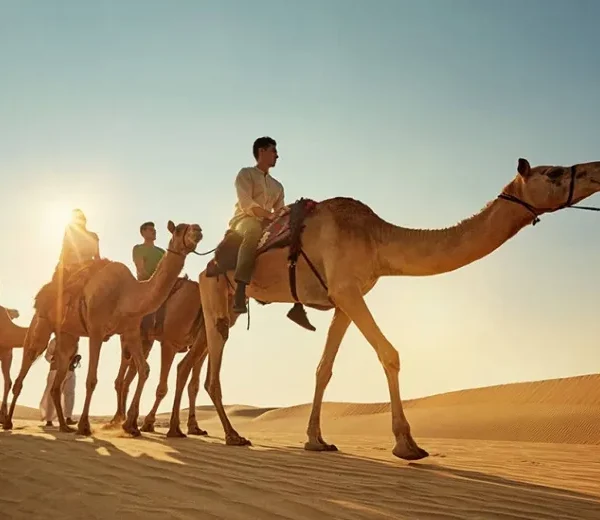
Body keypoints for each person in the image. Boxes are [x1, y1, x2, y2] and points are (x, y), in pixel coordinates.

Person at [228, 136, 313, 330]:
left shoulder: (278, 186)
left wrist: (284, 216)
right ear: (262, 152)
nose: (277, 155)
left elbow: (280, 210)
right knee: (252, 233)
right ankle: (240, 290)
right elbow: (246, 204)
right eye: (273, 151)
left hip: (269, 222)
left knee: (295, 240)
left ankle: (298, 307)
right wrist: (270, 216)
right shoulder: (246, 174)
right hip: (244, 220)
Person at [132, 221, 166, 335]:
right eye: (151, 230)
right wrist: (154, 283)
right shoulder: (138, 248)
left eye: (154, 229)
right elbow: (141, 270)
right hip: (145, 286)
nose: (154, 231)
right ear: (143, 232)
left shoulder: (162, 252)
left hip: (162, 287)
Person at [39, 336, 80, 427]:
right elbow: (48, 355)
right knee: (52, 394)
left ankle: (68, 417)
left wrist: (75, 359)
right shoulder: (55, 340)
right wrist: (57, 359)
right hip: (56, 371)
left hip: (70, 371)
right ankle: (49, 420)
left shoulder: (75, 341)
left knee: (70, 394)